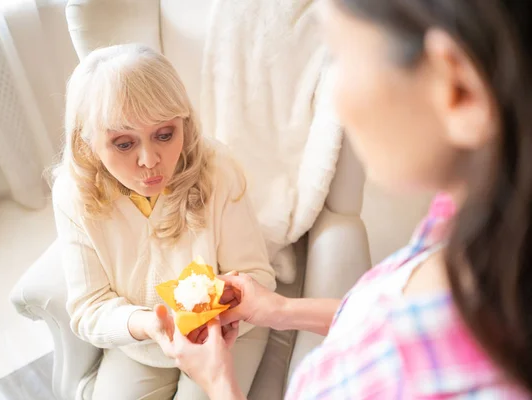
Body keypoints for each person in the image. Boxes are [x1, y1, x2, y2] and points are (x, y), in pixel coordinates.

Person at [170, 0, 532, 398]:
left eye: (340, 56)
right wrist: (279, 310)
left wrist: (220, 384)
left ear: (457, 88)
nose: (335, 99)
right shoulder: (468, 214)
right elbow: (383, 315)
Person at [52, 44, 276, 400]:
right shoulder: (73, 194)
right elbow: (88, 309)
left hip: (229, 334)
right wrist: (148, 325)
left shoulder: (218, 170)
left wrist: (214, 309)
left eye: (164, 134)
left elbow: (259, 278)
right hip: (140, 346)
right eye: (124, 144)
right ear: (88, 143)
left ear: (183, 124)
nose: (149, 160)